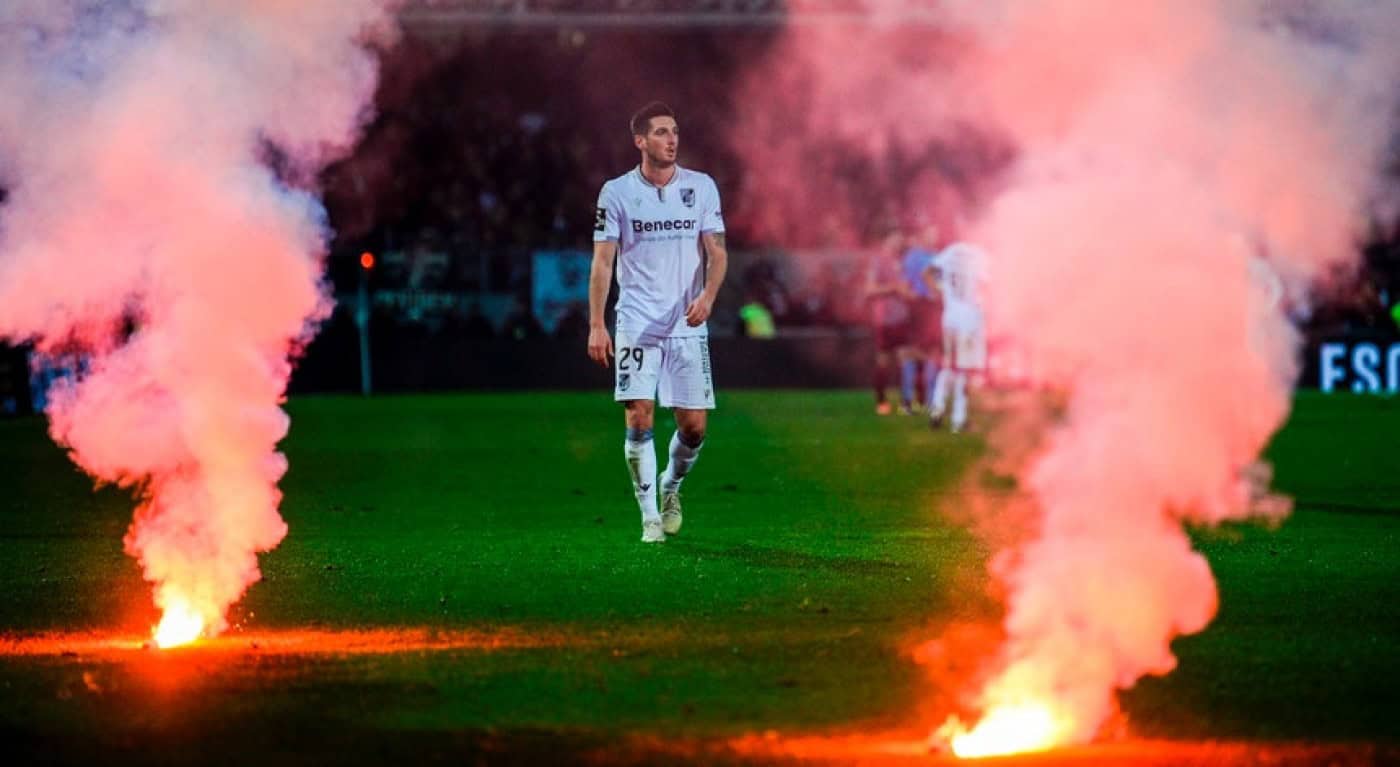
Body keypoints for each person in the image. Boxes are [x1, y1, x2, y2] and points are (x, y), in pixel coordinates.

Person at [587, 101, 729, 543]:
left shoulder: (701, 187)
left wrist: (708, 296)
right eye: (662, 132)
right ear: (640, 141)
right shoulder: (616, 192)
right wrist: (597, 323)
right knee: (638, 416)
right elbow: (602, 263)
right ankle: (650, 517)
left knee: (694, 428)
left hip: (687, 323)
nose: (672, 140)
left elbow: (718, 252)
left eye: (675, 131)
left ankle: (671, 485)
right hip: (636, 321)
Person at [926, 241, 987, 433]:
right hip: (969, 320)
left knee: (948, 366)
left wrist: (938, 291)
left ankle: (937, 407)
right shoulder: (980, 255)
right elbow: (989, 285)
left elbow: (927, 273)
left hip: (950, 318)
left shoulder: (951, 252)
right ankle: (958, 420)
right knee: (963, 370)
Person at [864, 228, 912, 415]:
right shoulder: (877, 261)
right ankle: (882, 402)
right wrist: (893, 288)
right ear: (887, 240)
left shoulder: (901, 262)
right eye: (896, 238)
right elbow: (869, 290)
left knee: (905, 360)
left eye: (901, 238)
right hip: (884, 320)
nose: (900, 242)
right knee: (883, 361)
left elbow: (905, 289)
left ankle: (906, 404)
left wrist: (909, 294)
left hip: (902, 318)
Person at [900, 224, 943, 413]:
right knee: (911, 352)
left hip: (934, 308)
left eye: (935, 234)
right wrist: (913, 298)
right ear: (922, 236)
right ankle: (907, 401)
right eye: (930, 234)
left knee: (933, 353)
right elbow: (904, 285)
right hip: (918, 307)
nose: (934, 238)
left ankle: (930, 400)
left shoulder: (939, 256)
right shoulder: (913, 257)